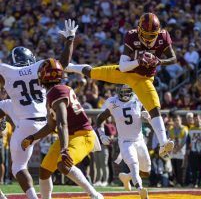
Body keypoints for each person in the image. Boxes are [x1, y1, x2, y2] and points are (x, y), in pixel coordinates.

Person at [66, 12, 176, 158]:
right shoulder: (131, 36)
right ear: (139, 30)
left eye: (152, 35)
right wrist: (140, 61)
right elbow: (123, 66)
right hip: (126, 73)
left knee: (154, 107)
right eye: (147, 35)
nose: (149, 39)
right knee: (94, 73)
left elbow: (173, 58)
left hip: (144, 79)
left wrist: (159, 61)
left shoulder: (163, 36)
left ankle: (163, 144)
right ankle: (68, 66)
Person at [0, 19, 77, 199]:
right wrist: (70, 40)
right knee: (51, 164)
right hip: (47, 122)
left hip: (25, 125)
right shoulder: (39, 65)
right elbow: (63, 65)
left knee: (18, 167)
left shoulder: (6, 70)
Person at [21, 58, 103, 199]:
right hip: (69, 135)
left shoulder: (56, 91)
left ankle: (95, 195)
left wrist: (64, 149)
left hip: (82, 135)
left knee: (63, 165)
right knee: (44, 170)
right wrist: (33, 137)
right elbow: (52, 126)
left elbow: (62, 123)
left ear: (43, 76)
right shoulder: (57, 90)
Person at [96, 85, 151, 199]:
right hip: (125, 141)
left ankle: (126, 178)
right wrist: (101, 135)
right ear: (118, 92)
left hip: (139, 140)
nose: (126, 94)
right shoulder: (113, 102)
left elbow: (148, 113)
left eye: (128, 92)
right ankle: (140, 190)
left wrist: (148, 116)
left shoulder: (137, 99)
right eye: (123, 92)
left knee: (146, 170)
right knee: (134, 165)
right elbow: (99, 119)